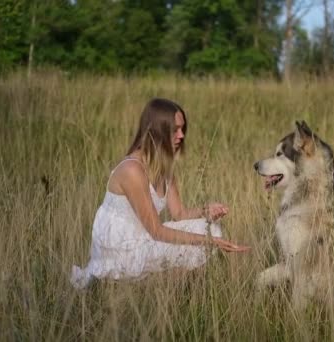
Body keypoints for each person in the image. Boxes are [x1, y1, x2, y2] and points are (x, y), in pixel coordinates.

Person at [70, 98, 249, 289]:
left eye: (183, 129)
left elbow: (179, 214)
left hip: (145, 237)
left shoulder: (165, 169)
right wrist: (209, 241)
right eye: (174, 130)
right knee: (206, 238)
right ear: (156, 131)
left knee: (210, 226)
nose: (181, 135)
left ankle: (165, 291)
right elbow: (156, 231)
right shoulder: (132, 170)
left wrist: (207, 211)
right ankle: (128, 287)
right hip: (122, 250)